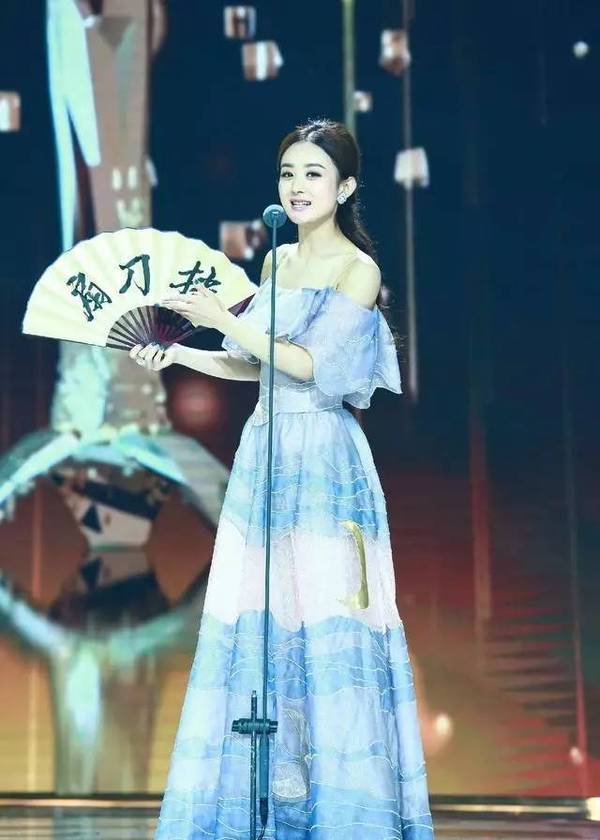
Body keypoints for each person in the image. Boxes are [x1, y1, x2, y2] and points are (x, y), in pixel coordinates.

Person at [131, 118, 435, 839]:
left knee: (329, 622)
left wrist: (221, 318)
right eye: (288, 173)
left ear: (346, 187)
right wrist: (180, 354)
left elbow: (310, 365)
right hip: (265, 450)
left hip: (324, 457)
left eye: (313, 174)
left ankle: (342, 816)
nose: (297, 187)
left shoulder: (358, 271)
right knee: (261, 625)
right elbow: (258, 364)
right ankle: (268, 812)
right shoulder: (276, 262)